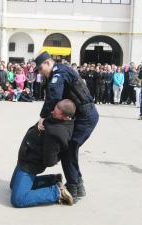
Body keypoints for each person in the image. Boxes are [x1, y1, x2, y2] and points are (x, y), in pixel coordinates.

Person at [35, 51, 99, 203]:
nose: (40, 72)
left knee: (68, 149)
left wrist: (43, 117)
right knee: (70, 149)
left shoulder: (59, 72)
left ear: (47, 63)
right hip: (81, 115)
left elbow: (54, 95)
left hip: (86, 116)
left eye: (40, 69)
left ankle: (73, 189)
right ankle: (78, 185)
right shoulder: (59, 71)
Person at [10, 99, 76, 208]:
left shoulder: (56, 133)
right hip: (25, 158)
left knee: (18, 200)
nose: (52, 112)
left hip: (30, 164)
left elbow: (49, 161)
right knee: (13, 186)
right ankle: (53, 180)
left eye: (56, 113)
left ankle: (57, 192)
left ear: (65, 117)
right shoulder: (57, 118)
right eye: (55, 109)